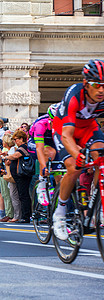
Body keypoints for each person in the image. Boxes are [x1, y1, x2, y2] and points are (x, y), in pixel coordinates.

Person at [52, 59, 104, 240]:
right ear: (85, 84)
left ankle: (96, 203)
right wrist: (77, 154)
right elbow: (66, 135)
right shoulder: (74, 95)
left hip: (89, 128)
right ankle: (59, 213)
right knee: (74, 167)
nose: (101, 90)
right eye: (96, 85)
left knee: (101, 157)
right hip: (64, 130)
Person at [27, 103, 60, 205]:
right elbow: (39, 149)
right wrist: (43, 167)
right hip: (36, 143)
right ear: (50, 120)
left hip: (52, 143)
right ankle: (42, 185)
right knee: (49, 152)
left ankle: (58, 204)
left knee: (60, 177)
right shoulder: (41, 124)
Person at [4, 130, 32, 223]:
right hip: (19, 175)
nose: (15, 141)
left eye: (16, 139)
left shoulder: (23, 147)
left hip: (22, 175)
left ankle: (26, 216)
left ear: (21, 139)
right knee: (21, 195)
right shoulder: (21, 147)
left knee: (23, 195)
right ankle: (23, 215)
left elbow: (15, 156)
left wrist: (7, 157)